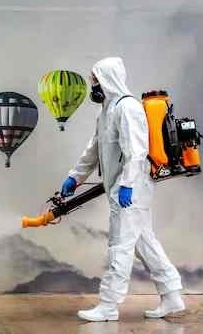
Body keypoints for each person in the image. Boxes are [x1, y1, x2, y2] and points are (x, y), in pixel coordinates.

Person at [60, 57, 184, 322]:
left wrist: (127, 185)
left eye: (95, 79)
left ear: (107, 79)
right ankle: (172, 294)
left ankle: (108, 305)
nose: (92, 84)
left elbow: (137, 152)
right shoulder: (105, 110)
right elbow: (93, 151)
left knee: (120, 245)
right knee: (143, 241)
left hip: (131, 188)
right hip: (120, 187)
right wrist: (74, 177)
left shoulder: (128, 108)